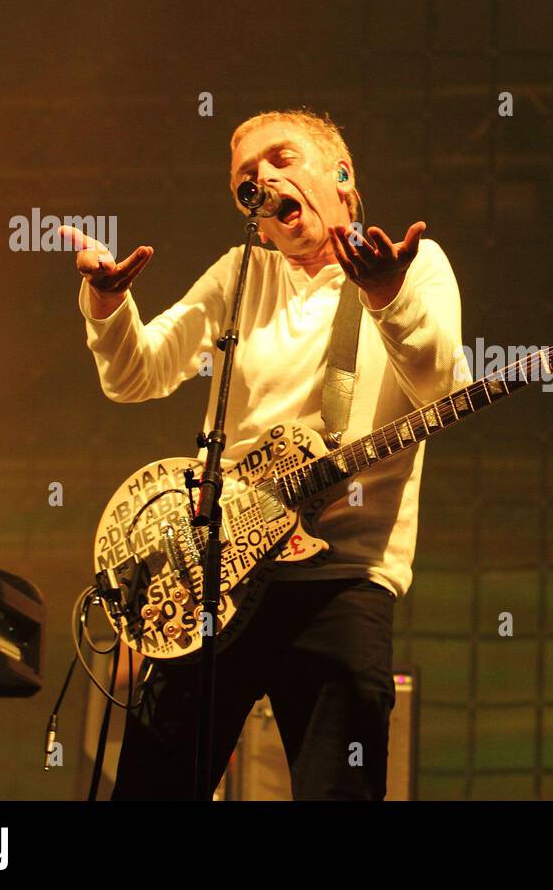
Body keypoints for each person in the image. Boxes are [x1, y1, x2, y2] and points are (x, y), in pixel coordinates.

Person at [68, 108, 464, 799]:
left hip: (343, 576)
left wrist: (385, 293)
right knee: (154, 784)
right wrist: (106, 305)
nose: (262, 179)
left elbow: (436, 387)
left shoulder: (417, 265)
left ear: (341, 174)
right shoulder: (240, 273)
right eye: (245, 177)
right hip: (217, 572)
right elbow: (137, 376)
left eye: (280, 159)